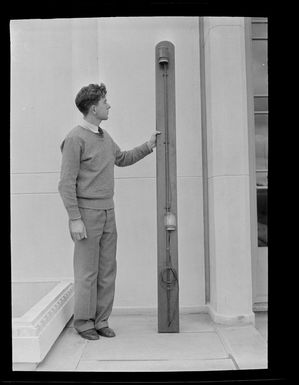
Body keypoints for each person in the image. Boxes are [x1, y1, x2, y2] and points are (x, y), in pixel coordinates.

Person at [58, 83, 160, 340]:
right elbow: (65, 183)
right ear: (93, 108)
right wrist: (75, 219)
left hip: (108, 212)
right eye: (105, 102)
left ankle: (101, 320)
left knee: (107, 270)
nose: (109, 105)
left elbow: (122, 158)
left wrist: (149, 145)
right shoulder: (74, 139)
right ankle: (83, 323)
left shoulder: (105, 136)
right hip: (87, 214)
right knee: (87, 272)